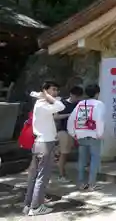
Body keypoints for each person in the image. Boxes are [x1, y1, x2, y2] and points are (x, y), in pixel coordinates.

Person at [23, 81, 65, 216]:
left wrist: (44, 96)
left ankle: (28, 204)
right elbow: (61, 105)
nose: (55, 93)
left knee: (35, 176)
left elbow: (58, 101)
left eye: (56, 90)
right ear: (45, 91)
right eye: (53, 90)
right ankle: (35, 207)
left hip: (40, 143)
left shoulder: (42, 104)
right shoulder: (43, 105)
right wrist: (46, 96)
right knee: (42, 177)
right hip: (45, 144)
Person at [67, 84, 106, 191]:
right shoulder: (99, 104)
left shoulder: (80, 103)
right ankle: (92, 184)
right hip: (93, 135)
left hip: (80, 135)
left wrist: (73, 133)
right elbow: (100, 119)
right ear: (97, 93)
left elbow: (72, 118)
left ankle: (81, 183)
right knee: (94, 159)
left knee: (82, 160)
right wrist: (100, 134)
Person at [54, 86, 84, 182]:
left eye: (79, 97)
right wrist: (69, 115)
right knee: (64, 153)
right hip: (63, 131)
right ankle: (61, 175)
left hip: (74, 131)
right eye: (76, 97)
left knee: (66, 153)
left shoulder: (79, 104)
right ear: (71, 94)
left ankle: (62, 172)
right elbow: (56, 116)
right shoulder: (62, 103)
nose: (77, 99)